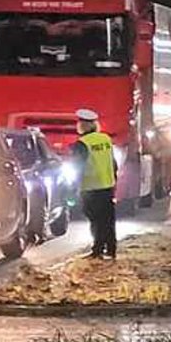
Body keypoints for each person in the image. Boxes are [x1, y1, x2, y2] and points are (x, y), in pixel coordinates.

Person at [70, 109, 118, 259]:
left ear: (82, 125)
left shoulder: (82, 144)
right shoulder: (105, 139)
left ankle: (97, 249)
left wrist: (73, 188)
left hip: (91, 188)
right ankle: (111, 249)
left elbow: (78, 168)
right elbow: (113, 162)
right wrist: (113, 178)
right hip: (107, 185)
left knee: (95, 220)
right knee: (108, 219)